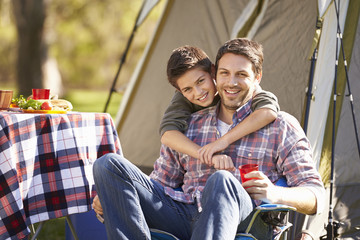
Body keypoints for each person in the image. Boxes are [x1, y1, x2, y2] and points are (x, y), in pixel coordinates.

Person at [92, 38, 325, 240]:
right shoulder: (190, 125)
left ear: (257, 77)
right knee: (107, 165)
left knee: (221, 180)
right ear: (215, 74)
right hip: (185, 213)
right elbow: (159, 183)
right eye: (225, 73)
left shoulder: (280, 125)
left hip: (247, 219)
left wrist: (275, 193)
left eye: (241, 74)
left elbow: (316, 196)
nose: (231, 82)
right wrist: (118, 192)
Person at [160, 45, 279, 165]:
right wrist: (206, 154)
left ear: (213, 71)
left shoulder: (240, 89)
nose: (198, 92)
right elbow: (167, 134)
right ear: (180, 90)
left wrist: (223, 141)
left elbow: (268, 112)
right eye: (187, 89)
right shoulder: (183, 98)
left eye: (201, 81)